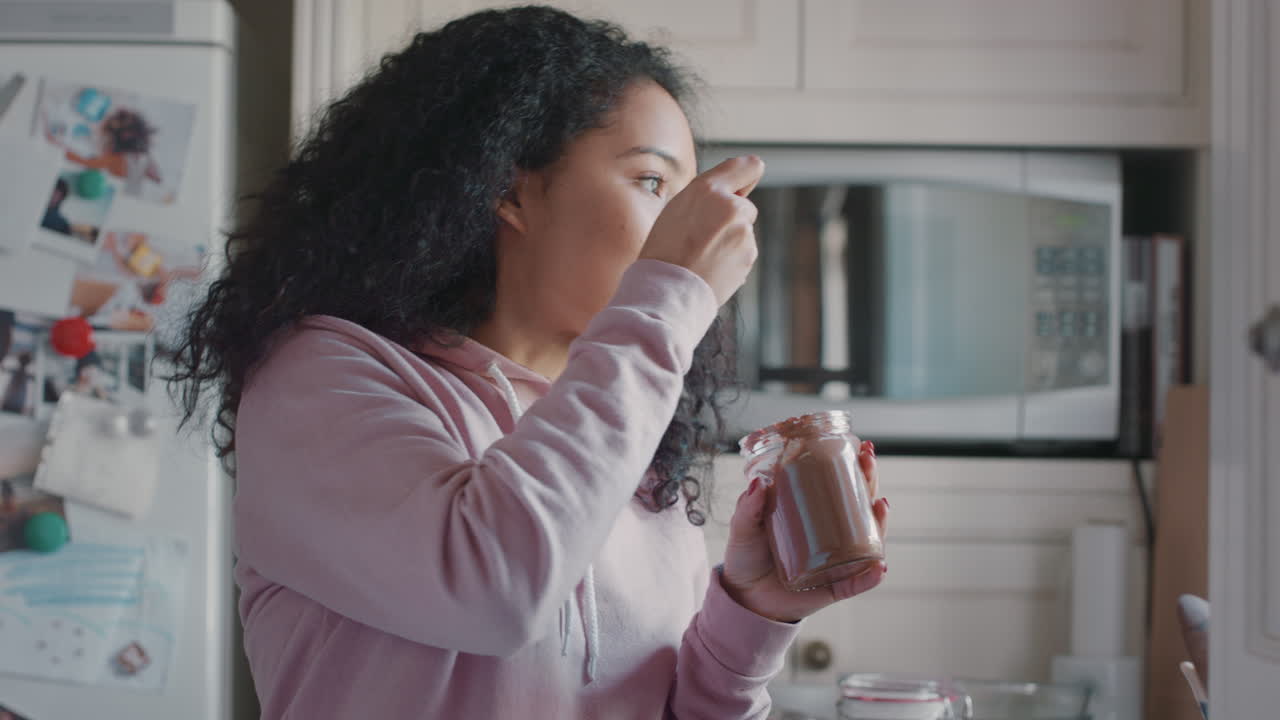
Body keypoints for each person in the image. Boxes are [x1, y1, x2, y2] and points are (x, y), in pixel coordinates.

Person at [170, 7, 889, 718]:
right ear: (511, 190)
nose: (687, 225)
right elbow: (493, 592)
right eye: (652, 182)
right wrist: (670, 295)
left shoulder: (632, 439)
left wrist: (752, 609)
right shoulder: (318, 380)